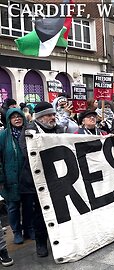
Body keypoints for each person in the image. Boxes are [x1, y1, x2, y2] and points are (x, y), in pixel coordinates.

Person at [19, 101, 65, 257]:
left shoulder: (59, 129)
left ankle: (59, 239)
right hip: (37, 181)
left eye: (53, 114)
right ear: (40, 117)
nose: (53, 117)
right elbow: (28, 153)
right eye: (49, 115)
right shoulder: (29, 131)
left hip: (57, 178)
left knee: (61, 210)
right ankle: (41, 243)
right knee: (40, 213)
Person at [0, 108, 34, 245]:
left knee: (28, 205)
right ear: (9, 120)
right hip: (10, 179)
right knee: (13, 207)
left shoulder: (29, 134)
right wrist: (1, 178)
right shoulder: (3, 136)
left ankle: (29, 228)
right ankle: (17, 232)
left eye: (19, 116)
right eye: (13, 117)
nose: (17, 119)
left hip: (27, 177)